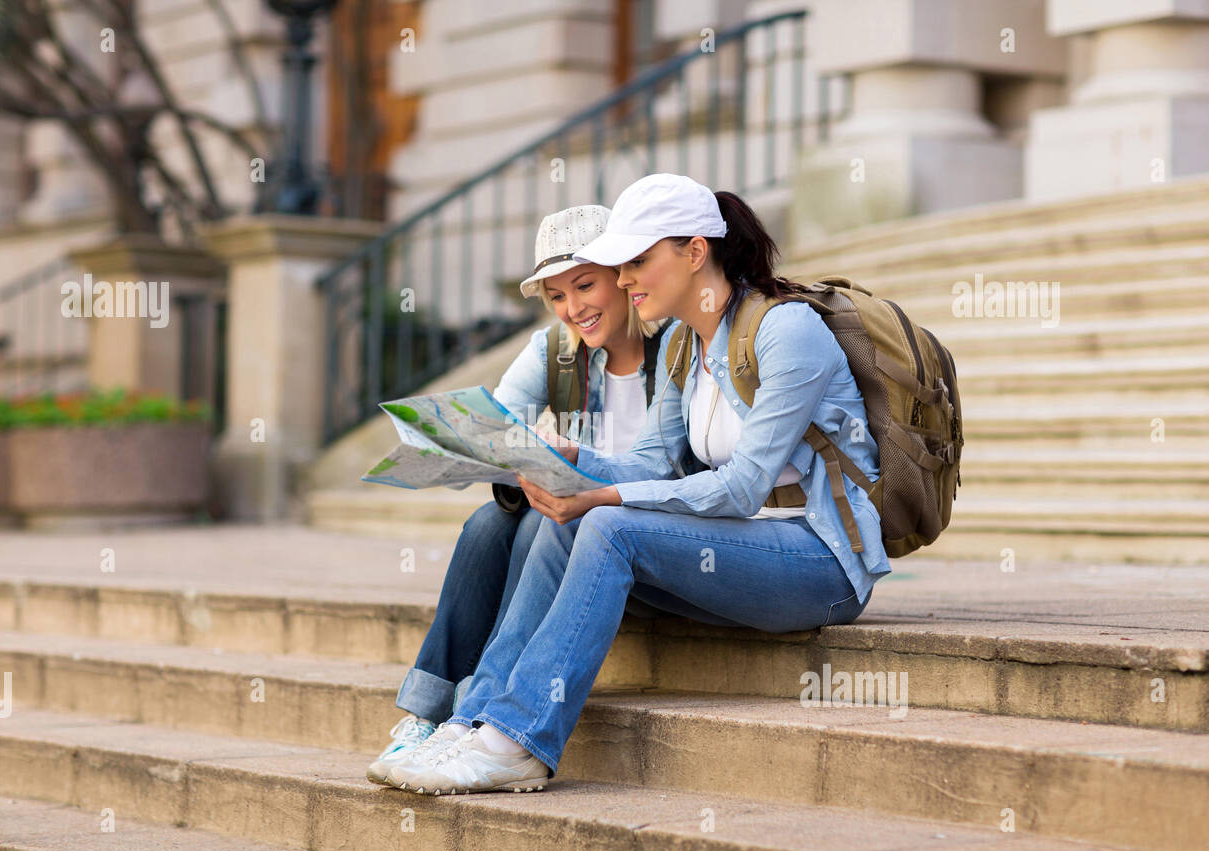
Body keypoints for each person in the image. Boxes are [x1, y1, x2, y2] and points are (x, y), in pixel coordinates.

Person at [382, 173, 893, 795]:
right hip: (731, 553)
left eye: (637, 261)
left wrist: (602, 494)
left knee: (606, 522)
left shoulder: (787, 332)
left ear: (695, 251)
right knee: (570, 520)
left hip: (823, 564)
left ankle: (519, 741)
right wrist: (569, 455)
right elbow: (651, 464)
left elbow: (741, 489)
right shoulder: (684, 341)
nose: (623, 279)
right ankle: (470, 721)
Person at [367, 204, 671, 783]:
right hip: (568, 524)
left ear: (623, 274)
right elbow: (496, 424)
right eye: (557, 296)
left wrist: (580, 468)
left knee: (541, 524)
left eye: (584, 285)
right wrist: (511, 450)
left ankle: (482, 715)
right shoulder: (555, 354)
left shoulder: (677, 348)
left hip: (630, 534)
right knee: (488, 523)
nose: (573, 308)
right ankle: (430, 719)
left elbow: (672, 469)